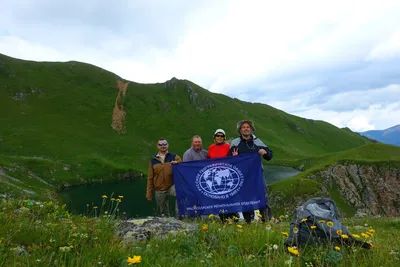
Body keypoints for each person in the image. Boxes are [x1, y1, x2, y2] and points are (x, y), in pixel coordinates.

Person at [229, 120, 273, 223]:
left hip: (257, 175)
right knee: (245, 198)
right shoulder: (235, 142)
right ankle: (248, 221)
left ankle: (265, 220)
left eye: (248, 127)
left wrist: (264, 153)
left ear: (251, 129)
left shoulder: (257, 141)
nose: (246, 129)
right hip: (243, 176)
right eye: (243, 127)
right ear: (240, 130)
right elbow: (230, 160)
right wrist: (234, 157)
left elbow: (269, 156)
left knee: (262, 196)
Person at [146, 138, 182, 217]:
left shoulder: (174, 156)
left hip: (171, 185)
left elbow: (183, 165)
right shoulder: (153, 160)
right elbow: (150, 177)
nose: (163, 146)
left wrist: (177, 163)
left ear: (168, 145)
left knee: (181, 193)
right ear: (157, 146)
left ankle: (179, 215)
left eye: (165, 144)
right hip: (159, 188)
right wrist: (149, 192)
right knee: (163, 212)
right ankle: (166, 221)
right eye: (160, 144)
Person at [206, 129, 236, 222]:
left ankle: (234, 218)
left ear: (224, 138)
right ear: (214, 137)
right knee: (218, 198)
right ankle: (224, 220)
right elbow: (208, 159)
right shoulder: (211, 147)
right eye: (217, 136)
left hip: (226, 175)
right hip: (215, 176)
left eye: (221, 136)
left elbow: (233, 160)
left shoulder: (228, 146)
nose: (219, 137)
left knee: (228, 198)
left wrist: (235, 157)